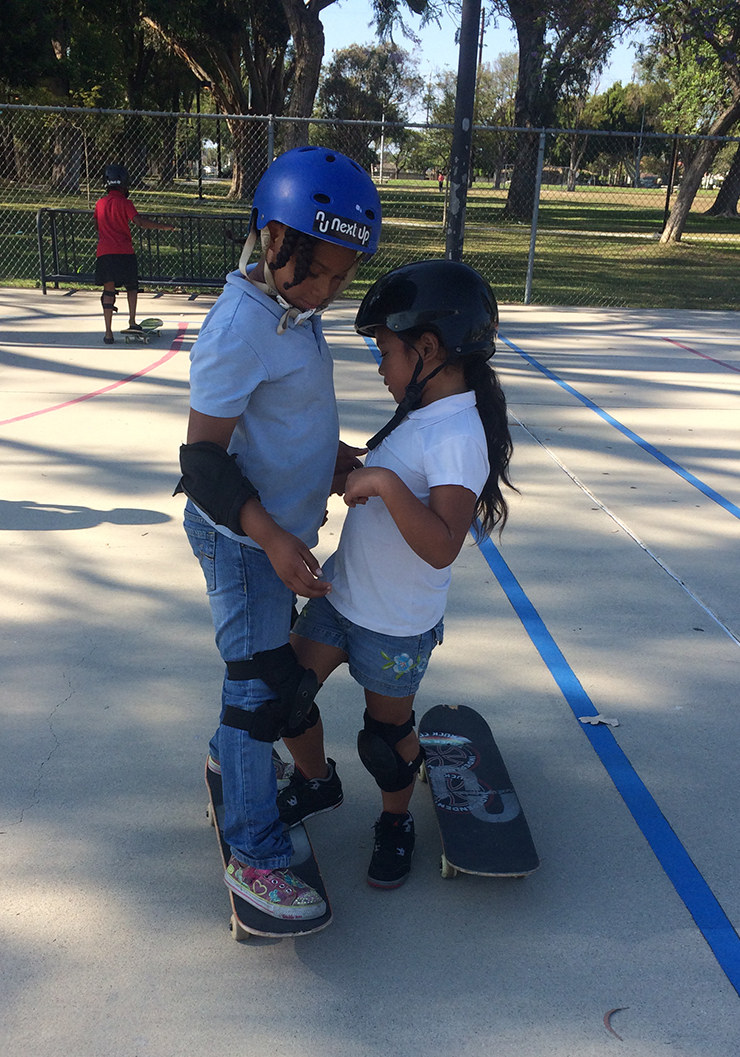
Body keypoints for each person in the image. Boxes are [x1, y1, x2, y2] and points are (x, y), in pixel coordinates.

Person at [175, 146, 381, 923]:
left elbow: (284, 421)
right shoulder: (240, 328)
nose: (327, 290)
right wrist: (270, 537)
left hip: (271, 536)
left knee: (258, 673)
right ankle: (255, 858)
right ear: (272, 239)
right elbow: (202, 461)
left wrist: (332, 461)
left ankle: (226, 755)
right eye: (317, 271)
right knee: (258, 689)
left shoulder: (292, 312)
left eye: (341, 277)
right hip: (240, 541)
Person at [276, 259, 514, 890]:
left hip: (396, 625)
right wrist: (351, 468)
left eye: (385, 352)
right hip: (343, 596)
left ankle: (395, 820)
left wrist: (381, 481)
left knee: (385, 739)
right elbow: (384, 481)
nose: (381, 367)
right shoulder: (423, 412)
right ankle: (316, 782)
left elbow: (442, 545)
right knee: (283, 694)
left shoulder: (458, 433)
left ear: (427, 348)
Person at [94, 163, 175, 344]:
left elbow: (96, 225)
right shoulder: (125, 203)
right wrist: (163, 226)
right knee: (131, 286)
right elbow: (138, 221)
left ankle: (108, 332)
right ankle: (132, 320)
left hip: (104, 253)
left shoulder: (99, 204)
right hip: (124, 251)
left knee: (108, 291)